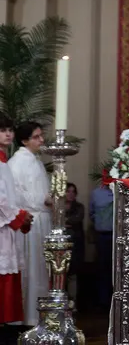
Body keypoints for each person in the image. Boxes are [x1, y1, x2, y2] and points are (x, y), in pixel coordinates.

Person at [8, 121, 50, 325]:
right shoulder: (18, 162)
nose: (41, 140)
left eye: (41, 136)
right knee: (31, 269)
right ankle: (27, 317)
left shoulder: (35, 160)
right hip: (30, 222)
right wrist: (44, 200)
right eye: (36, 137)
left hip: (41, 219)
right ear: (24, 140)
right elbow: (17, 195)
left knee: (40, 268)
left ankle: (38, 314)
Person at [0, 112, 33, 341]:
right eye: (3, 130)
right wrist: (19, 216)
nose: (8, 134)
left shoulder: (3, 161)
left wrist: (21, 216)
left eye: (10, 129)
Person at [89, 182, 114, 310]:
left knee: (116, 269)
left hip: (118, 236)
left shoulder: (120, 191)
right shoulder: (96, 193)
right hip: (102, 236)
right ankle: (103, 302)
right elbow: (91, 213)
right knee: (102, 268)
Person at [64, 182, 85, 305]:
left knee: (73, 274)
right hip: (62, 245)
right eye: (68, 191)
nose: (71, 194)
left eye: (73, 192)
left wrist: (63, 221)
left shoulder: (79, 207)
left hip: (75, 245)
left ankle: (73, 302)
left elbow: (76, 219)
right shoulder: (58, 207)